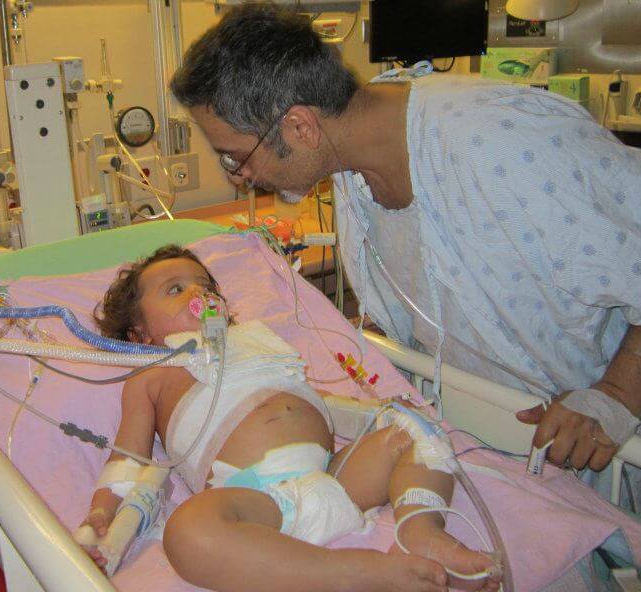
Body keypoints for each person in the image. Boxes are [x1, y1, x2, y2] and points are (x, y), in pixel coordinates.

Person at [169, 1, 641, 541]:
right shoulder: (356, 167)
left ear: (301, 126)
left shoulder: (500, 145)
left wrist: (618, 394)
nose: (238, 178)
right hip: (518, 443)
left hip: (622, 437)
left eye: (236, 156)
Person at [80, 245, 500, 592]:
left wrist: (380, 415)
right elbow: (128, 459)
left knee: (413, 434)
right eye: (175, 289)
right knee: (188, 531)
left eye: (206, 285)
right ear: (139, 335)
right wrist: (101, 514)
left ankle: (422, 529)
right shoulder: (153, 375)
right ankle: (351, 573)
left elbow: (310, 396)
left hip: (335, 477)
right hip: (256, 501)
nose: (199, 293)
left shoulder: (255, 341)